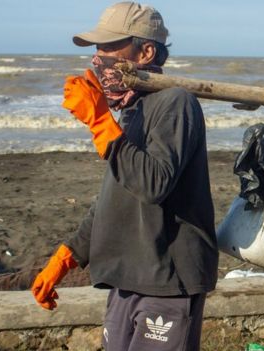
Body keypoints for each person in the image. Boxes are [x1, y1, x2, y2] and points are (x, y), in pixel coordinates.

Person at [30, 2, 218, 350]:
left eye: (109, 46)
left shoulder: (176, 103)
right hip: (128, 275)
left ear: (146, 51)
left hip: (168, 279)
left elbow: (153, 183)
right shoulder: (131, 111)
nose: (99, 58)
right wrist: (66, 257)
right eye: (97, 48)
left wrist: (101, 123)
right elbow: (115, 196)